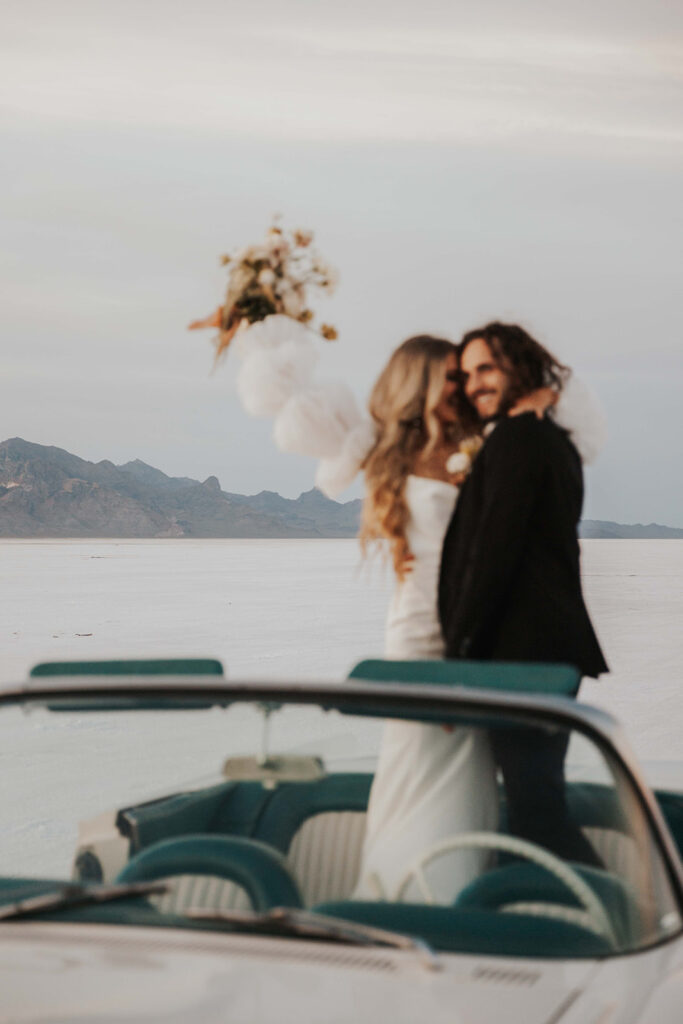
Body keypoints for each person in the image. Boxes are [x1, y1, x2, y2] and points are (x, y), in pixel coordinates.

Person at [352, 336, 555, 903]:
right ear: (417, 383)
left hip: (472, 627)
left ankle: (465, 896)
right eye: (449, 377)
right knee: (415, 762)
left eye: (461, 378)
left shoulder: (479, 444)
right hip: (418, 629)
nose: (460, 389)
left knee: (471, 774)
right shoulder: (393, 454)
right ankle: (403, 897)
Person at [438, 322, 608, 866]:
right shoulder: (552, 441)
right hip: (545, 649)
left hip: (523, 654)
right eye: (466, 374)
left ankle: (621, 916)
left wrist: (457, 656)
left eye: (486, 368)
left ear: (519, 366)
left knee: (537, 808)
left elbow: (494, 555)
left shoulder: (519, 439)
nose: (473, 384)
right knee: (536, 801)